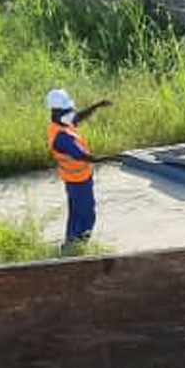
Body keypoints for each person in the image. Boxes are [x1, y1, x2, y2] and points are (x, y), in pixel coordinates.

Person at [47, 88, 113, 249]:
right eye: (68, 109)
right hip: (77, 182)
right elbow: (81, 155)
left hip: (79, 178)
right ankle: (77, 247)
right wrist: (108, 158)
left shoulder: (61, 123)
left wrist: (97, 106)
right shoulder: (61, 137)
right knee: (86, 216)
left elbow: (79, 117)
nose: (71, 113)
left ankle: (71, 244)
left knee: (76, 214)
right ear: (57, 111)